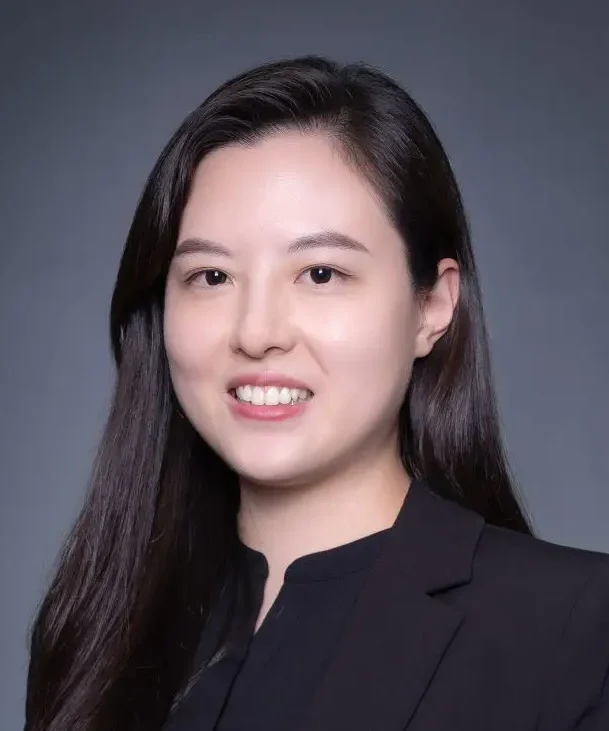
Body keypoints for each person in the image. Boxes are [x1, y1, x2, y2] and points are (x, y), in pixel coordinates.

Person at [24, 55, 609, 731]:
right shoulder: (97, 627)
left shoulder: (575, 629)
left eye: (321, 273)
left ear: (432, 305)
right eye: (211, 276)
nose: (256, 332)